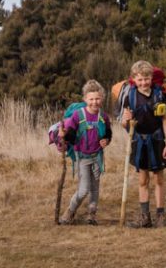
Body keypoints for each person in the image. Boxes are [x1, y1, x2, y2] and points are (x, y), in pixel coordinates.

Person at [118, 60, 166, 228]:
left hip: (157, 141)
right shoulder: (130, 96)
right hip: (139, 142)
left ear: (151, 77)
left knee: (159, 179)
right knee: (142, 181)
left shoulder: (159, 94)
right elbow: (124, 124)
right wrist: (125, 120)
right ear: (134, 79)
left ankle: (160, 216)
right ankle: (145, 217)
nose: (143, 83)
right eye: (140, 79)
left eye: (147, 78)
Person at [58, 79, 112, 225]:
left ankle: (91, 215)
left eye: (97, 98)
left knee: (95, 189)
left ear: (102, 98)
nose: (95, 102)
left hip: (98, 158)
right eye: (91, 99)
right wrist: (64, 135)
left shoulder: (103, 116)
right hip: (82, 158)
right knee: (83, 190)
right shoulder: (78, 115)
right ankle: (69, 212)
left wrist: (106, 140)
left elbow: (108, 133)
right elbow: (72, 136)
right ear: (85, 99)